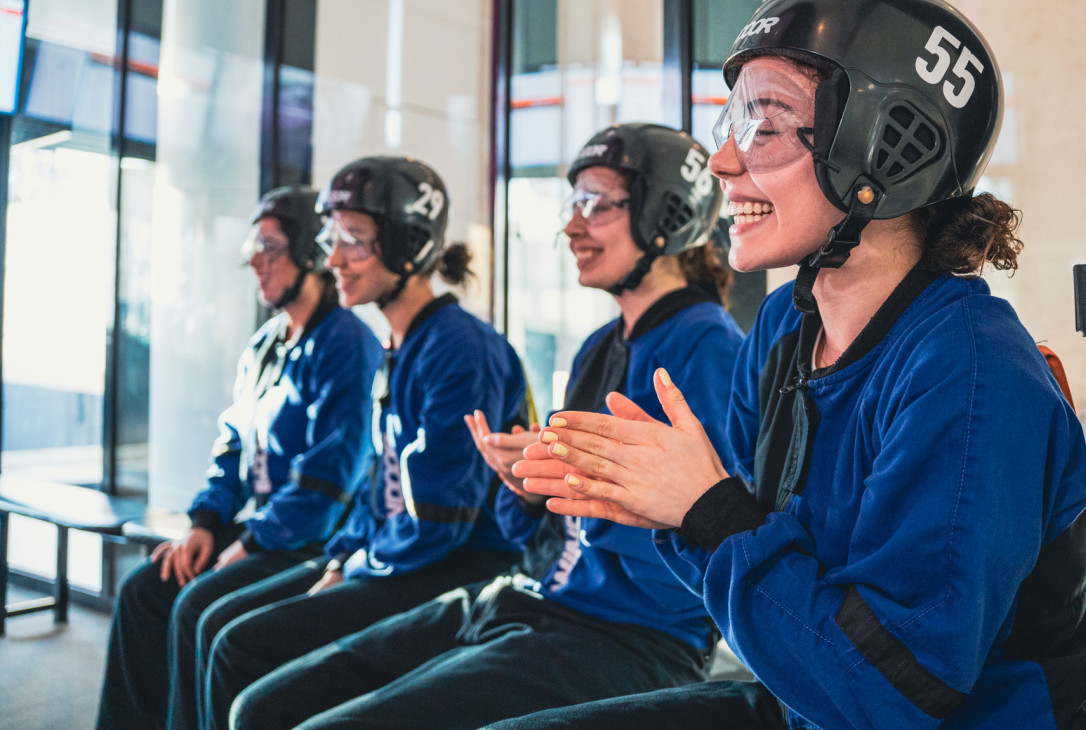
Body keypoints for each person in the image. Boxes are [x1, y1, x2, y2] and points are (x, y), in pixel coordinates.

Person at [507, 0, 1086, 729]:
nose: (723, 162)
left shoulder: (969, 371)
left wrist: (706, 508)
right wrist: (662, 500)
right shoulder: (785, 333)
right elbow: (749, 595)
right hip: (812, 697)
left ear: (884, 152)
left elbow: (895, 691)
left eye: (765, 124)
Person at [227, 124, 745, 730]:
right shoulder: (600, 347)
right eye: (573, 205)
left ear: (668, 214)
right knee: (261, 705)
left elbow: (699, 548)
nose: (572, 225)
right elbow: (539, 533)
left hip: (627, 636)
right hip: (530, 599)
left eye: (597, 204)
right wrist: (529, 488)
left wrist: (578, 489)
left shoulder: (709, 349)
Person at [192, 157, 530, 730]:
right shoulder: (399, 342)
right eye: (332, 238)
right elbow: (380, 490)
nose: (333, 259)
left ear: (407, 244)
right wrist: (342, 556)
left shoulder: (457, 348)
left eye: (354, 240)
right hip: (401, 554)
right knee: (221, 626)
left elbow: (437, 517)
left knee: (238, 648)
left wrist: (357, 566)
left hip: (455, 566)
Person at [96, 186, 381, 730]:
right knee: (143, 591)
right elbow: (231, 442)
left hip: (314, 539)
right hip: (260, 528)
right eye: (253, 246)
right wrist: (206, 523)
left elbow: (332, 475)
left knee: (194, 606)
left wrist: (250, 542)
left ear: (306, 253)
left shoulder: (348, 344)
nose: (255, 260)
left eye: (269, 246)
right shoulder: (266, 343)